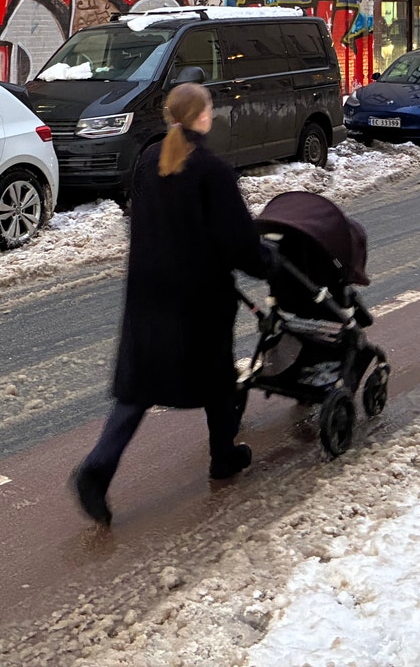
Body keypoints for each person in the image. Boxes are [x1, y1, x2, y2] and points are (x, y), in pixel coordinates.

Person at [70, 82, 262, 526]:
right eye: (209, 108)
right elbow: (240, 243)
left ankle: (97, 469)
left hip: (148, 291)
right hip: (199, 296)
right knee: (216, 376)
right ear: (200, 116)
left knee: (138, 388)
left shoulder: (147, 161)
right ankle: (223, 455)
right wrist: (267, 264)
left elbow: (139, 222)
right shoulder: (212, 170)